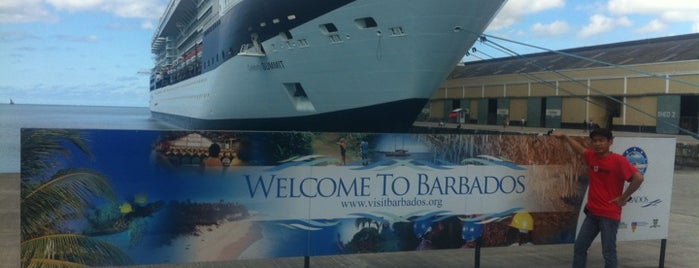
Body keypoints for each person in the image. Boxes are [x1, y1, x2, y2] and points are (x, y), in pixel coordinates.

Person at [551, 128, 644, 268]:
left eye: (601, 140)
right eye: (595, 141)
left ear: (610, 142)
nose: (598, 144)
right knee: (580, 248)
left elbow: (638, 178)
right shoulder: (592, 156)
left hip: (609, 215)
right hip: (592, 214)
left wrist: (623, 197)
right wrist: (565, 137)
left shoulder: (618, 160)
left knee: (608, 252)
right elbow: (580, 150)